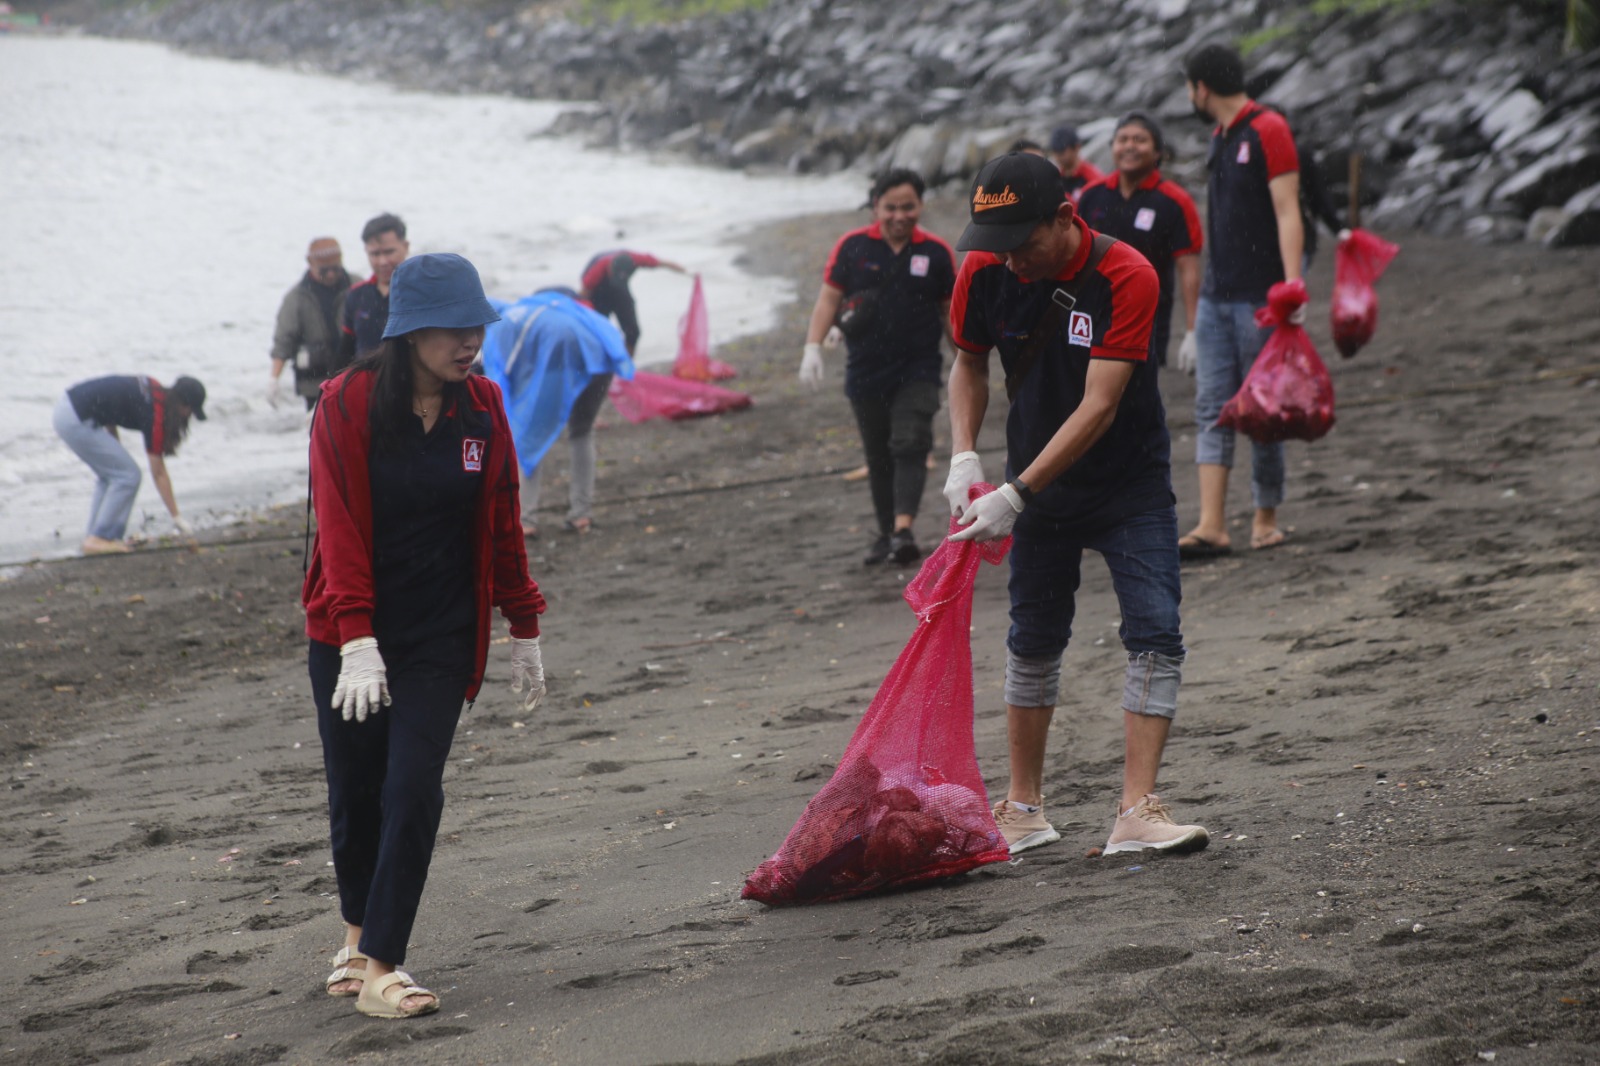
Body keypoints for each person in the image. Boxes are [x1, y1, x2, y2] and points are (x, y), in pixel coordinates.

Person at [302, 253, 548, 1020]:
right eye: (451, 330)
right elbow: (337, 527)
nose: (468, 342)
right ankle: (353, 938)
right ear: (409, 333)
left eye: (476, 327)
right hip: (351, 632)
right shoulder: (345, 404)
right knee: (356, 792)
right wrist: (355, 638)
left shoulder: (483, 408)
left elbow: (504, 515)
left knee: (413, 787)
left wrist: (524, 623)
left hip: (442, 632)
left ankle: (382, 965)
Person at [943, 151, 1208, 858]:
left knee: (1155, 631)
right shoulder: (984, 269)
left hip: (1128, 484)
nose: (1008, 261)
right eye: (994, 246)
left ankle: (1137, 810)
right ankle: (1022, 808)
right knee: (1032, 637)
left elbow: (1101, 404)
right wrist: (963, 452)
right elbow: (968, 362)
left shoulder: (1126, 274)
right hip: (1030, 492)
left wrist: (1015, 491)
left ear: (1064, 218)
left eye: (1021, 244)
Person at [1179, 43, 1305, 558]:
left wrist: (1291, 287)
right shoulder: (1221, 136)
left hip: (1260, 295)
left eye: (1191, 87)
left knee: (1263, 411)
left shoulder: (1268, 128)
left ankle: (1265, 515)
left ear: (1201, 87)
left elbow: (1288, 210)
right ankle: (1212, 524)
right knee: (1213, 404)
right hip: (1215, 294)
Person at [799, 167, 956, 566]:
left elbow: (949, 312)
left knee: (910, 442)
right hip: (865, 370)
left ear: (920, 205)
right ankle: (886, 532)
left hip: (919, 367)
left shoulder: (936, 252)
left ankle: (904, 529)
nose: (900, 215)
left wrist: (965, 360)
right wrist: (812, 347)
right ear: (875, 207)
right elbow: (828, 300)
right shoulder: (852, 247)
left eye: (909, 207)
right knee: (878, 455)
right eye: (890, 208)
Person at [480, 288, 635, 537]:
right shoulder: (532, 306)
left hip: (566, 354)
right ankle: (581, 515)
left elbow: (501, 376)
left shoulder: (501, 325)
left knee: (527, 436)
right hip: (603, 353)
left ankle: (526, 520)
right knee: (581, 432)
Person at [1077, 113, 1203, 369]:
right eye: (1122, 139)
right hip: (1094, 310)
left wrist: (1193, 331)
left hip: (1149, 316)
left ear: (1157, 152)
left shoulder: (1174, 201)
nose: (1130, 146)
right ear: (1112, 147)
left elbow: (1188, 269)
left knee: (1136, 394)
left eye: (1140, 140)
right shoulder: (1093, 196)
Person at [52, 374, 206, 554]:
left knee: (111, 476)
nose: (188, 416)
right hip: (76, 418)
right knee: (129, 476)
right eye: (190, 410)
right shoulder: (156, 414)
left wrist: (113, 445)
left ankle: (96, 537)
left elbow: (112, 403)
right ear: (182, 405)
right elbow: (158, 473)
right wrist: (177, 518)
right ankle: (99, 538)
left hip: (68, 407)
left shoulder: (153, 390)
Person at [269, 237, 352, 410]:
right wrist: (274, 379)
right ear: (309, 262)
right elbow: (284, 340)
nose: (330, 274)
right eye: (324, 269)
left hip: (353, 378)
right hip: (315, 385)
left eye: (335, 268)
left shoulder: (357, 287)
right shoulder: (296, 298)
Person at [578, 249, 688, 355]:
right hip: (597, 295)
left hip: (620, 290)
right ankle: (600, 368)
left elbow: (663, 263)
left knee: (633, 333)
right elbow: (583, 295)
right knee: (598, 333)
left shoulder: (636, 258)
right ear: (610, 269)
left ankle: (626, 368)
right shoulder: (596, 271)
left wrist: (688, 273)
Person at [339, 213, 411, 366]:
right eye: (375, 254)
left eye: (389, 252)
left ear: (405, 247)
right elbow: (345, 352)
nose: (383, 261)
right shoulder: (356, 295)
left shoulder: (421, 292)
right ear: (366, 251)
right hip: (366, 384)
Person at [1050, 123, 1105, 204]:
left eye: (1062, 152)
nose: (1058, 157)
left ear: (1076, 147)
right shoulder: (1055, 178)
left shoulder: (1093, 177)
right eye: (1055, 152)